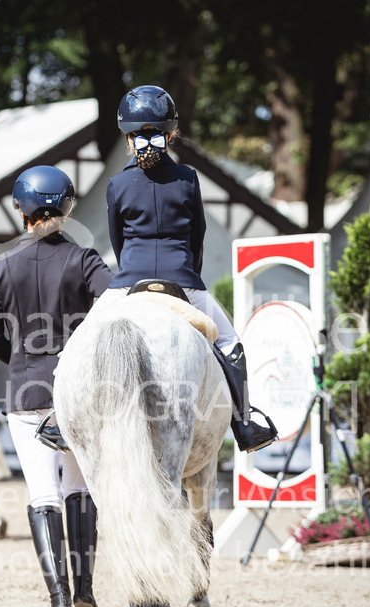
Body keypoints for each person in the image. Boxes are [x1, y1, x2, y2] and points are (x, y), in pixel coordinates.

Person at [99, 84, 278, 454]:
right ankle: (245, 423)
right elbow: (198, 237)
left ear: (127, 137)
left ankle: (60, 421)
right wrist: (189, 276)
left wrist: (131, 271)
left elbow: (118, 243)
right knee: (228, 343)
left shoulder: (116, 185)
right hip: (183, 280)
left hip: (128, 282)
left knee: (78, 342)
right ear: (171, 132)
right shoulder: (188, 178)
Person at [0, 166, 112, 607]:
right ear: (68, 208)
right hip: (77, 396)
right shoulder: (84, 260)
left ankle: (59, 604)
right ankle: (86, 592)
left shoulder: (0, 266)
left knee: (42, 494)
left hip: (25, 391)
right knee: (80, 490)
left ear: (20, 211)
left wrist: (18, 358)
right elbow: (112, 309)